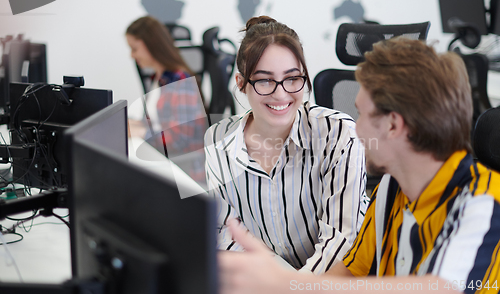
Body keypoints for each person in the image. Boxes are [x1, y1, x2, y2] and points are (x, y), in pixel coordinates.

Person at [217, 37, 500, 294]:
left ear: (392, 125)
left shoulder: (486, 199)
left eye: (361, 114)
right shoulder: (390, 189)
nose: (357, 128)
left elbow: (442, 286)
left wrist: (284, 284)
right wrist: (282, 285)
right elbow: (347, 274)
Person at [204, 16, 369, 275]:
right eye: (264, 80)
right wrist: (278, 282)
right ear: (241, 82)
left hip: (328, 284)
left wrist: (295, 288)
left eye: (292, 79)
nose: (281, 94)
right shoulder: (217, 141)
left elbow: (342, 239)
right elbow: (228, 233)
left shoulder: (337, 134)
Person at [125, 16, 208, 185]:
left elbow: (180, 138)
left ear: (151, 45)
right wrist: (128, 125)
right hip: (163, 157)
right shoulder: (160, 78)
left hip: (183, 168)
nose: (132, 55)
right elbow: (155, 122)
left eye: (134, 48)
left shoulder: (180, 82)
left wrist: (141, 133)